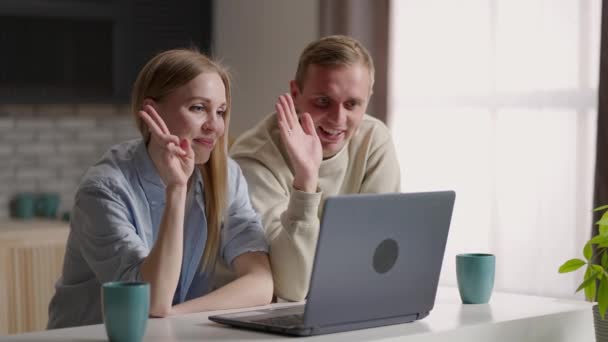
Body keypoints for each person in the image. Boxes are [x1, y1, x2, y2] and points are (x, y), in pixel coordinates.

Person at [47, 49, 273, 329]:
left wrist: (176, 315)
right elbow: (152, 300)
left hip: (170, 332)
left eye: (221, 111)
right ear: (152, 112)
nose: (215, 126)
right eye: (198, 108)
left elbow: (261, 283)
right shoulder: (104, 190)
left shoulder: (226, 174)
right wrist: (177, 191)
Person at [230, 35, 401, 301]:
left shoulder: (373, 140)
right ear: (295, 94)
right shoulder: (253, 158)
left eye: (352, 104)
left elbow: (377, 256)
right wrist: (306, 182)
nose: (337, 119)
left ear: (367, 98)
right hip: (261, 315)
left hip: (345, 300)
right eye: (323, 101)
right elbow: (292, 287)